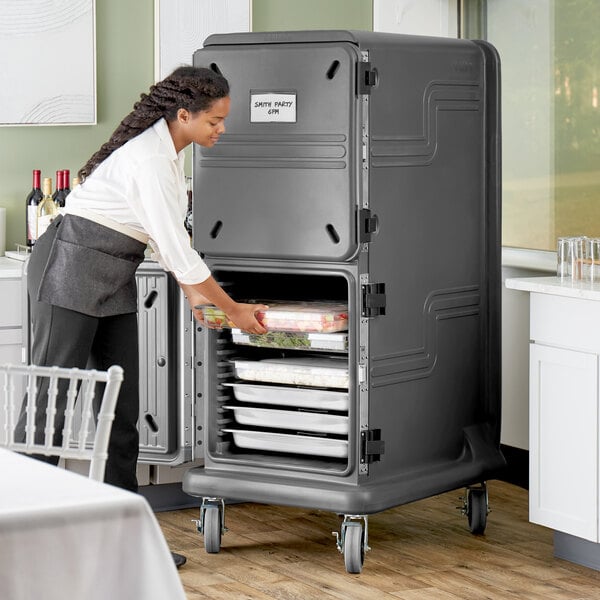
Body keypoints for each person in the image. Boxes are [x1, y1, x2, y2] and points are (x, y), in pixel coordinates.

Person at [19, 66, 267, 568]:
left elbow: (163, 240)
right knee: (51, 406)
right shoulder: (150, 160)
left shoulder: (168, 157)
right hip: (67, 267)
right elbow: (177, 249)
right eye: (216, 121)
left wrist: (200, 300)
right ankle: (17, 534)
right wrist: (233, 309)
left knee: (121, 413)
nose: (222, 129)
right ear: (184, 115)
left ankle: (123, 541)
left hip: (110, 279)